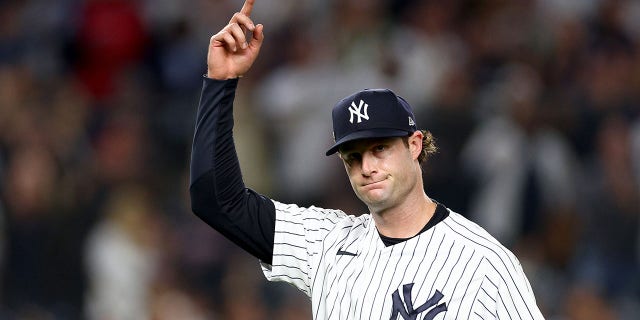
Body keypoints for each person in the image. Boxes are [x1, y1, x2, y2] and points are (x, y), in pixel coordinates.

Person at [189, 0, 545, 318]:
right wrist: (220, 81)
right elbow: (216, 199)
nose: (367, 167)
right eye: (353, 156)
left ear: (416, 145)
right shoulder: (327, 242)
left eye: (380, 149)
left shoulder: (482, 262)